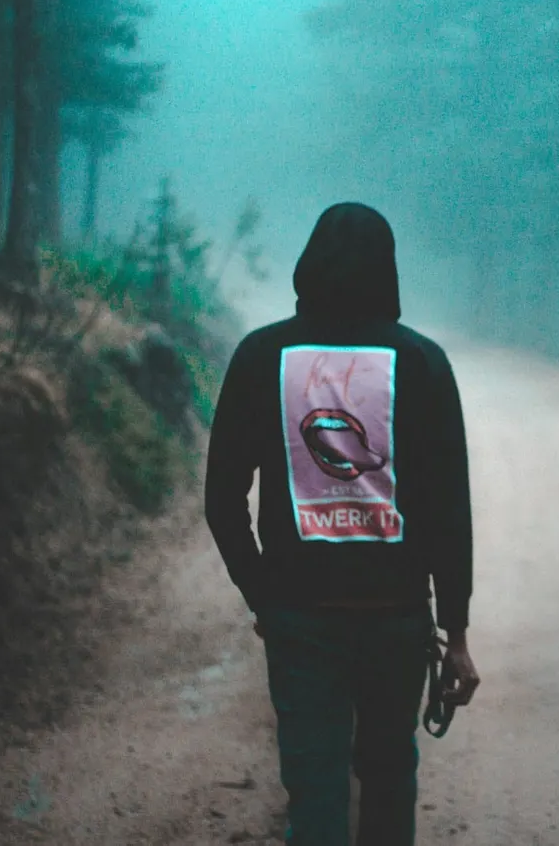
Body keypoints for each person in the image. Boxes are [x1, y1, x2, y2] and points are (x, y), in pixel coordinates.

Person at [204, 202, 480, 846]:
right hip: (398, 618)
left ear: (308, 266)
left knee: (315, 792)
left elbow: (222, 500)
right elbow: (449, 509)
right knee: (388, 782)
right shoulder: (424, 363)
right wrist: (456, 630)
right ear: (389, 270)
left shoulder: (260, 355)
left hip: (300, 618)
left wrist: (263, 595)